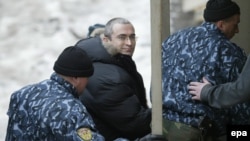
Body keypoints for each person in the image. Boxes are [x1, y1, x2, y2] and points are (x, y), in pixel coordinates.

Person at [161, 0, 249, 140]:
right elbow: (240, 103)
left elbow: (156, 85)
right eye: (235, 24)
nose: (237, 30)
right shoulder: (228, 51)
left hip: (162, 126)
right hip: (198, 132)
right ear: (221, 24)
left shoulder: (172, 40)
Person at [75, 17, 152, 141]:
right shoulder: (110, 77)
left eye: (132, 37)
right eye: (122, 37)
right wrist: (166, 108)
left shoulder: (114, 61)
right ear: (106, 39)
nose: (129, 43)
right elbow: (136, 124)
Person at [5, 46, 105, 141]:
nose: (87, 82)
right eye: (87, 78)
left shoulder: (22, 94)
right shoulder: (72, 110)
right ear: (76, 78)